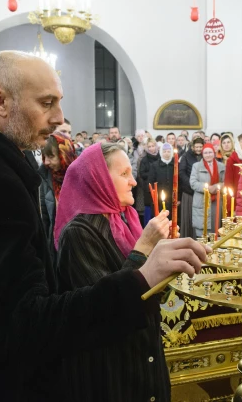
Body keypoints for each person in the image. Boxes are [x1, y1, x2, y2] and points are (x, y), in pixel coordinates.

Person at [0, 51, 207, 401]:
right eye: (46, 103)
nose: (59, 118)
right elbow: (24, 325)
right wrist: (141, 277)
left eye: (58, 103)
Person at [54, 143, 172, 401]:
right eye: (124, 174)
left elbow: (153, 290)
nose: (133, 181)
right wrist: (144, 248)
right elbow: (107, 306)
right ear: (99, 180)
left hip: (145, 358)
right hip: (110, 372)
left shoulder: (126, 220)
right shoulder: (79, 233)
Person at [39, 133, 77, 258]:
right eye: (44, 156)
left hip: (79, 245)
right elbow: (45, 218)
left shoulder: (82, 176)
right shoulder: (45, 177)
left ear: (64, 154)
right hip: (55, 247)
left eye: (51, 156)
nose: (46, 162)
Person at [190, 143, 226, 237]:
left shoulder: (221, 166)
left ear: (214, 153)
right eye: (205, 153)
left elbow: (225, 182)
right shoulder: (196, 166)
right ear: (202, 154)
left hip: (216, 201)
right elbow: (193, 183)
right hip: (202, 201)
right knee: (202, 231)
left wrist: (218, 186)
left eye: (210, 152)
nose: (208, 155)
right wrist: (207, 188)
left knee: (216, 228)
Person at [179, 137, 204, 239]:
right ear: (193, 147)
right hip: (189, 192)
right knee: (189, 217)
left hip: (201, 192)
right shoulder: (186, 156)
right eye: (196, 147)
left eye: (200, 147)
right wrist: (191, 184)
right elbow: (181, 172)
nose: (198, 149)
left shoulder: (205, 155)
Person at [150, 143, 176, 216]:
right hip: (159, 198)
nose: (166, 154)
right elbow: (151, 182)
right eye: (164, 151)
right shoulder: (155, 165)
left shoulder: (176, 164)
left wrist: (178, 197)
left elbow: (180, 182)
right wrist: (153, 198)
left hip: (172, 198)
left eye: (168, 151)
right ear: (161, 152)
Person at [138, 139, 160, 226]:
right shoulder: (144, 159)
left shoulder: (160, 157)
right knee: (149, 209)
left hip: (159, 186)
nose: (151, 148)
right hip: (148, 188)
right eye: (149, 146)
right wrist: (152, 173)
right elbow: (142, 173)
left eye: (153, 146)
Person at [223, 133, 242, 207]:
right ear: (238, 144)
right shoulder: (232, 159)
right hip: (237, 199)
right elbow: (228, 183)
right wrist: (230, 206)